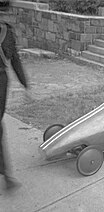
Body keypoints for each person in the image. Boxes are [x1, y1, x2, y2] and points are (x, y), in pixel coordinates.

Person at [0, 0, 29, 191]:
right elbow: (15, 59)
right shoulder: (7, 32)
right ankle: (7, 174)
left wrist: (26, 85)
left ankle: (7, 174)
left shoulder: (7, 32)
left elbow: (15, 59)